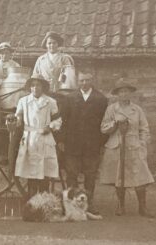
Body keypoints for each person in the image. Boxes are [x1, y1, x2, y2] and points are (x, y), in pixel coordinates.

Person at [99, 78, 155, 218]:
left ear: (130, 93)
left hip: (134, 147)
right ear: (117, 94)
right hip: (117, 147)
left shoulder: (137, 110)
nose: (124, 94)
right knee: (119, 178)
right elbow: (103, 129)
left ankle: (143, 207)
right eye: (121, 92)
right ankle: (121, 206)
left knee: (140, 177)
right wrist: (114, 123)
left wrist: (142, 144)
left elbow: (144, 129)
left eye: (126, 91)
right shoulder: (111, 109)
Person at [59, 70, 108, 214]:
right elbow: (63, 121)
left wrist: (101, 143)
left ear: (92, 81)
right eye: (81, 80)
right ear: (77, 81)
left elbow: (104, 123)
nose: (84, 83)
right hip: (72, 144)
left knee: (90, 175)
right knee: (71, 174)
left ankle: (89, 205)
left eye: (87, 80)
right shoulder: (69, 98)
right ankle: (71, 205)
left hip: (92, 145)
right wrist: (62, 140)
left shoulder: (100, 99)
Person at [14, 75, 62, 198]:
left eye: (38, 85)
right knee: (31, 173)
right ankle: (31, 203)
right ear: (29, 87)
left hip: (45, 138)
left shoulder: (50, 102)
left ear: (43, 87)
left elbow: (58, 120)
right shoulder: (23, 101)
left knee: (44, 174)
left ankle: (43, 203)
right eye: (33, 85)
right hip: (30, 139)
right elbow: (18, 117)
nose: (35, 88)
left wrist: (50, 127)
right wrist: (15, 121)